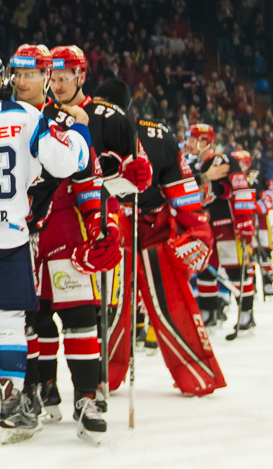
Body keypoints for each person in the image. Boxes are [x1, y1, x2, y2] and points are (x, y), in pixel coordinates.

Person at [0, 50, 90, 444]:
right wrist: (81, 130)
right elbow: (67, 162)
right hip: (9, 234)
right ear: (1, 78)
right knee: (8, 321)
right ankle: (11, 404)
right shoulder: (27, 116)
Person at [34, 44, 151, 445]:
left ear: (81, 76)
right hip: (34, 226)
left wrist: (134, 178)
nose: (58, 84)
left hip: (80, 225)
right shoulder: (37, 112)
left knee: (81, 315)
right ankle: (44, 388)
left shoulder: (109, 116)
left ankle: (87, 395)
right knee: (36, 316)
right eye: (53, 76)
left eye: (65, 76)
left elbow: (127, 179)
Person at [91, 80, 224, 396]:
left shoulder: (154, 135)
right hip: (110, 226)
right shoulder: (82, 131)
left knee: (168, 301)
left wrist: (197, 230)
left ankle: (194, 372)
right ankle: (98, 374)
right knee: (106, 306)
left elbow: (181, 188)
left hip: (150, 229)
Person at [185, 123, 257, 332]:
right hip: (203, 227)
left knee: (236, 269)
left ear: (204, 141)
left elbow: (241, 189)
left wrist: (244, 221)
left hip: (226, 226)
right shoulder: (192, 167)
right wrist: (206, 177)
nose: (188, 143)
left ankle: (246, 313)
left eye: (192, 139)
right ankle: (208, 312)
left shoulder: (224, 160)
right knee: (205, 269)